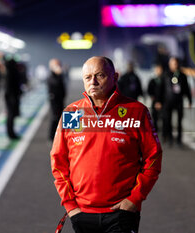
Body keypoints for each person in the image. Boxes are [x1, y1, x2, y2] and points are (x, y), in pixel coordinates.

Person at [51, 56, 162, 233]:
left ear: (115, 77)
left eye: (99, 75)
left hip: (122, 213)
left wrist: (134, 199)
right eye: (87, 77)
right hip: (82, 213)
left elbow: (153, 158)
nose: (93, 81)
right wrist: (71, 206)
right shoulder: (73, 113)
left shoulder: (135, 111)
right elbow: (59, 162)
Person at [157, 57, 192, 146]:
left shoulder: (182, 75)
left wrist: (189, 100)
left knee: (179, 120)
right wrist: (158, 101)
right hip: (168, 101)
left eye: (176, 63)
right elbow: (161, 89)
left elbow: (186, 88)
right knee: (168, 120)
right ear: (170, 64)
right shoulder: (165, 75)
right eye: (173, 64)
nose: (174, 65)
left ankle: (179, 139)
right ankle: (170, 138)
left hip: (179, 100)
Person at [47, 58, 66, 141]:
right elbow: (55, 84)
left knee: (60, 117)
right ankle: (51, 137)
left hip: (60, 99)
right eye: (56, 65)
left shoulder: (59, 75)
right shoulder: (51, 76)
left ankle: (58, 135)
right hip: (54, 99)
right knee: (55, 118)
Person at [4, 58, 22, 140]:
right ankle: (11, 133)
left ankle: (11, 132)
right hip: (12, 97)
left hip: (11, 97)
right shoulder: (11, 73)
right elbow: (11, 87)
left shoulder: (9, 72)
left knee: (11, 116)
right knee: (11, 116)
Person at [147, 64, 164, 132]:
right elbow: (149, 90)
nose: (159, 71)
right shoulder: (152, 81)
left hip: (163, 102)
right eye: (157, 70)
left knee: (164, 118)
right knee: (155, 118)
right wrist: (153, 98)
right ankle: (155, 132)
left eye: (160, 70)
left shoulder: (164, 80)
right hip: (154, 102)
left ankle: (164, 134)